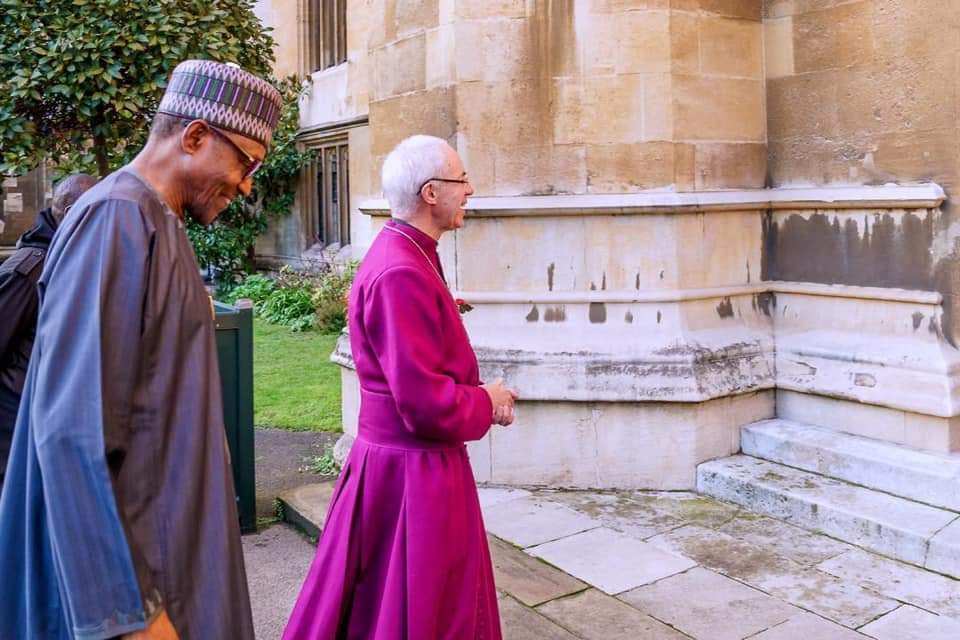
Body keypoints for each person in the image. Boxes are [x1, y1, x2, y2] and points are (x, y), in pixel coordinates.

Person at [0, 59, 281, 640]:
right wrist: (128, 615)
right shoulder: (116, 219)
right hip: (141, 584)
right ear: (196, 136)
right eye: (246, 162)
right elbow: (72, 432)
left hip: (171, 553)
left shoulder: (154, 221)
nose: (247, 183)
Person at [283, 135, 519, 640]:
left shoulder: (408, 253)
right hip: (412, 474)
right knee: (417, 608)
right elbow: (424, 404)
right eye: (462, 180)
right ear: (431, 192)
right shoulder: (400, 271)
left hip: (406, 467)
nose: (471, 189)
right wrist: (487, 401)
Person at [0, 173, 96, 487]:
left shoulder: (67, 260)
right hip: (13, 430)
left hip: (46, 424)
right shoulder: (30, 268)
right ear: (72, 215)